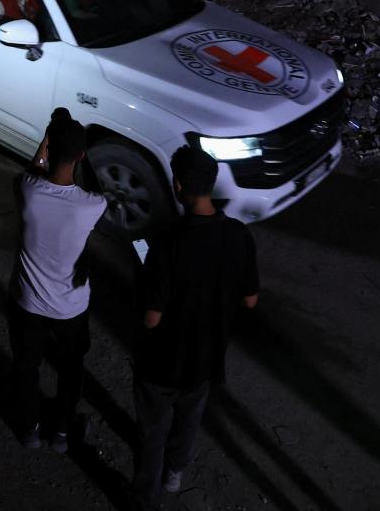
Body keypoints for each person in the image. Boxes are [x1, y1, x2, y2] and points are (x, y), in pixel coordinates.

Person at [132, 144, 259, 507]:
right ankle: (175, 473)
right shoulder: (238, 235)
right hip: (206, 357)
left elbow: (151, 317)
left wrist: (146, 269)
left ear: (177, 185)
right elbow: (250, 299)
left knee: (152, 429)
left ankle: (145, 498)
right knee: (189, 418)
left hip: (162, 361)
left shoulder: (167, 242)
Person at [9, 109, 105, 452]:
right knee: (70, 370)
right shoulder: (91, 206)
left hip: (27, 303)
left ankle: (30, 428)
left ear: (49, 147)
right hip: (71, 308)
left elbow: (33, 169)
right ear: (81, 155)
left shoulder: (28, 191)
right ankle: (62, 432)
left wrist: (46, 141)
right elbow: (94, 186)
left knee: (26, 366)